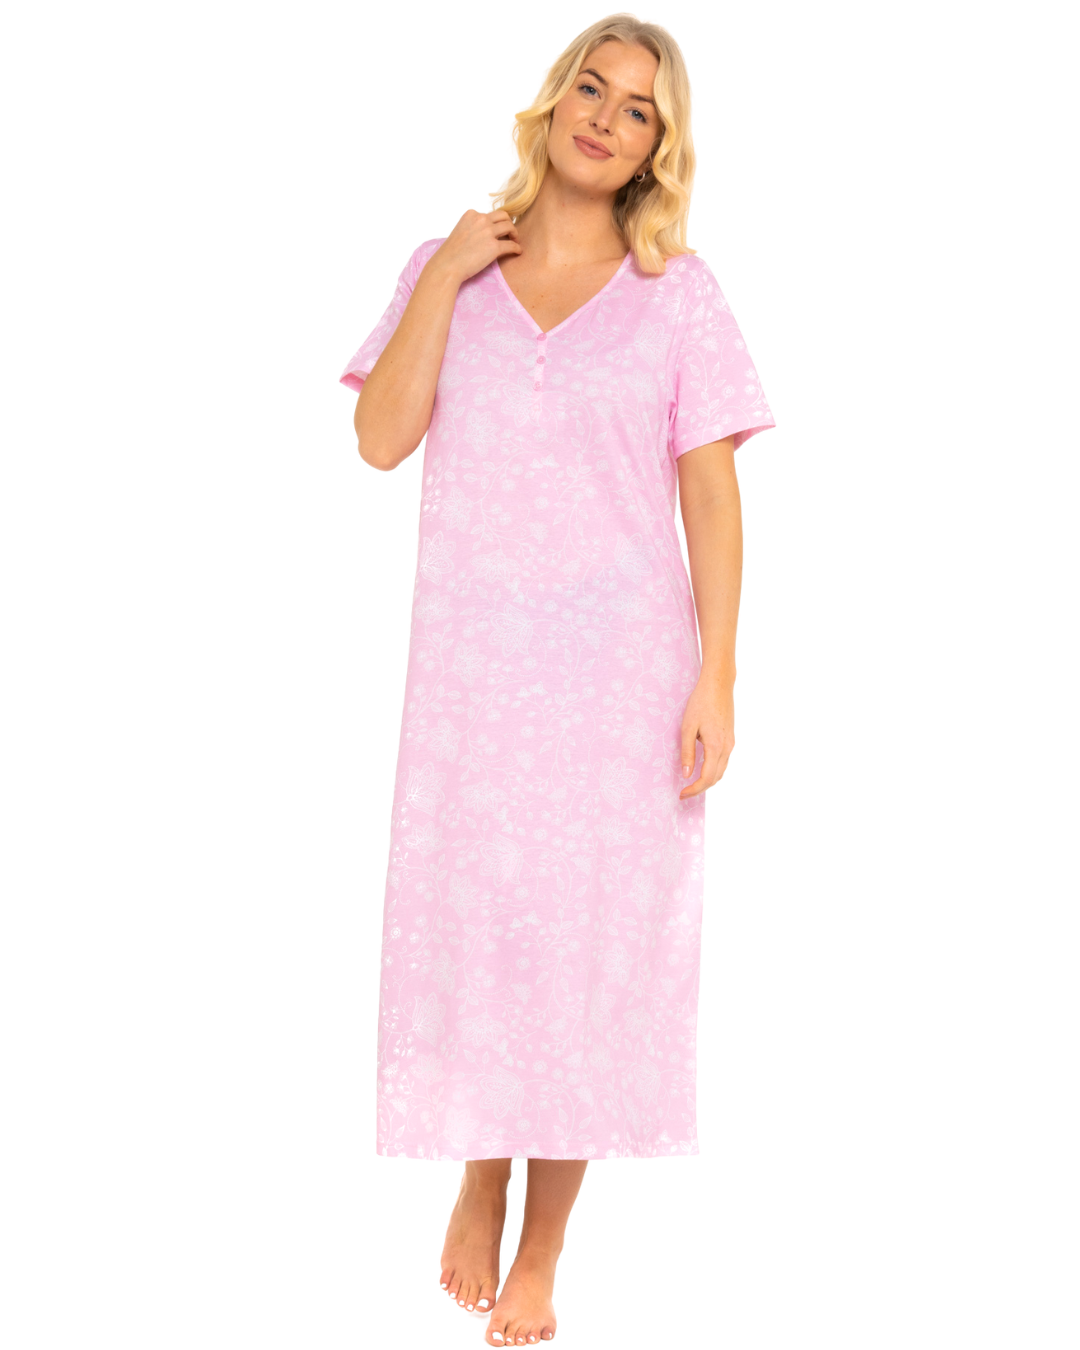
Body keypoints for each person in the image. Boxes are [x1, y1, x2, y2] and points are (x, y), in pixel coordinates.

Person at [339, 14, 778, 1348]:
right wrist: (446, 270)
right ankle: (481, 1176)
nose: (606, 117)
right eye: (593, 88)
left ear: (658, 148)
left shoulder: (679, 292)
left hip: (620, 685)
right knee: (487, 932)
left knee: (586, 953)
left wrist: (718, 678)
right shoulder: (446, 267)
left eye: (639, 109)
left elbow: (714, 496)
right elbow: (378, 442)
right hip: (474, 683)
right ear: (553, 101)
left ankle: (542, 1247)